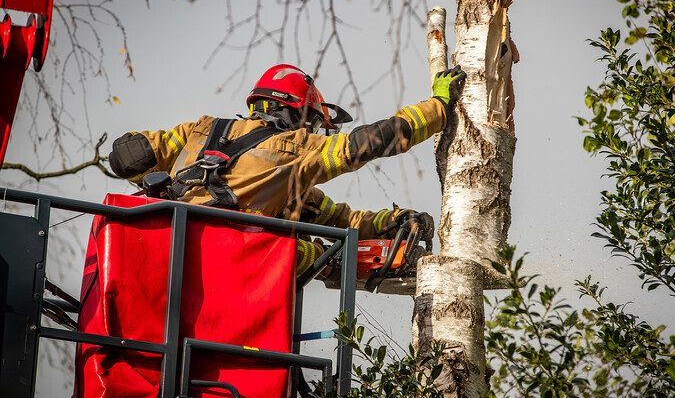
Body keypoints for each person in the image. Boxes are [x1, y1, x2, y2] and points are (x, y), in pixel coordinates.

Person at [107, 63, 466, 276]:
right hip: (228, 265)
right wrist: (439, 106)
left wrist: (387, 222)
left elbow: (131, 156)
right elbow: (364, 144)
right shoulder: (293, 149)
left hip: (160, 253)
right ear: (298, 114)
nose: (310, 132)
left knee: (304, 235)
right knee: (304, 249)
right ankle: (348, 263)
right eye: (310, 122)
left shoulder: (202, 130)